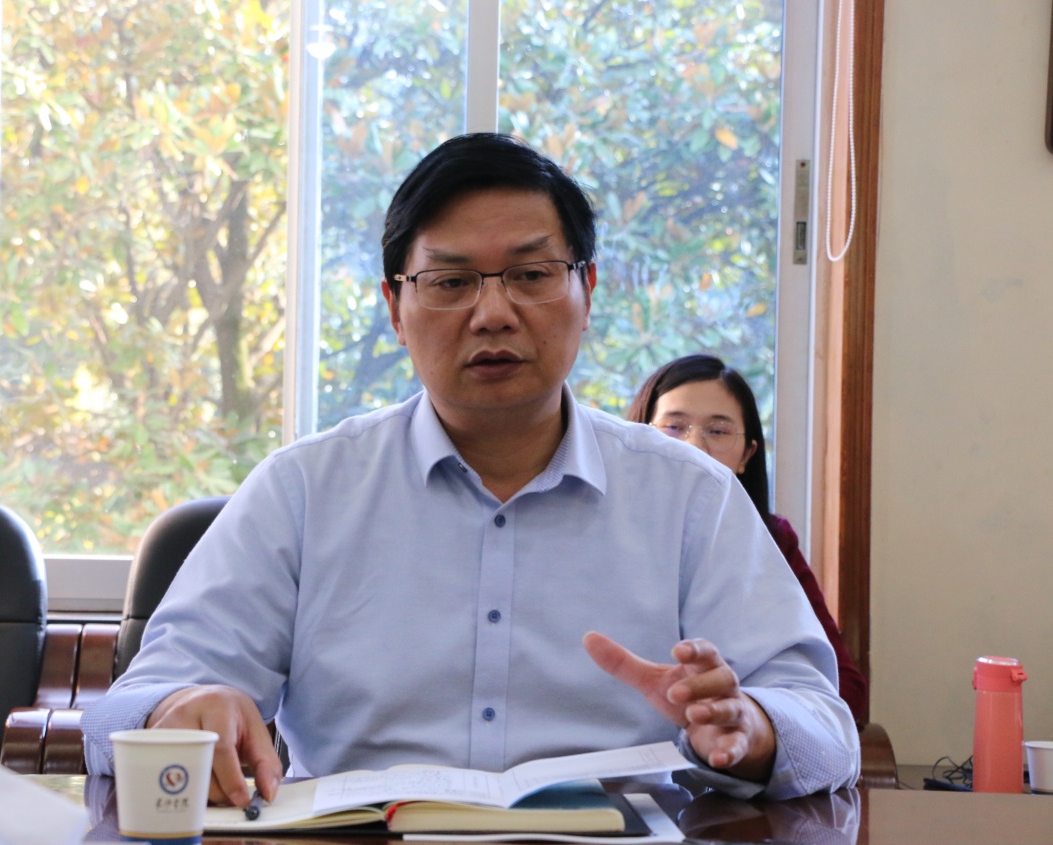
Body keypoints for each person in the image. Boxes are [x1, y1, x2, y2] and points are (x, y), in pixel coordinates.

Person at [81, 133, 859, 807]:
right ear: (395, 308)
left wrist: (753, 728)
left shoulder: (691, 496)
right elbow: (127, 706)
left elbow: (826, 727)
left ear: (586, 291)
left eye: (531, 274)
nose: (493, 313)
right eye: (450, 282)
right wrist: (177, 707)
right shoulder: (304, 489)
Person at [625, 354, 869, 725]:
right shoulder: (605, 530)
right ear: (637, 437)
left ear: (747, 455)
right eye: (674, 427)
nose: (694, 447)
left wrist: (746, 716)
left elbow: (842, 687)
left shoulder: (772, 539)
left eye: (718, 432)